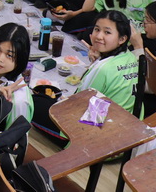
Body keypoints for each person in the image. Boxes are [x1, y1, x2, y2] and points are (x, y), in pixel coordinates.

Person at [32, 10, 139, 144]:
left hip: (92, 139)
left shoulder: (103, 69)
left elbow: (81, 107)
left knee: (34, 103)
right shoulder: (130, 57)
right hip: (125, 132)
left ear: (122, 39)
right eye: (97, 29)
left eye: (107, 32)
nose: (98, 36)